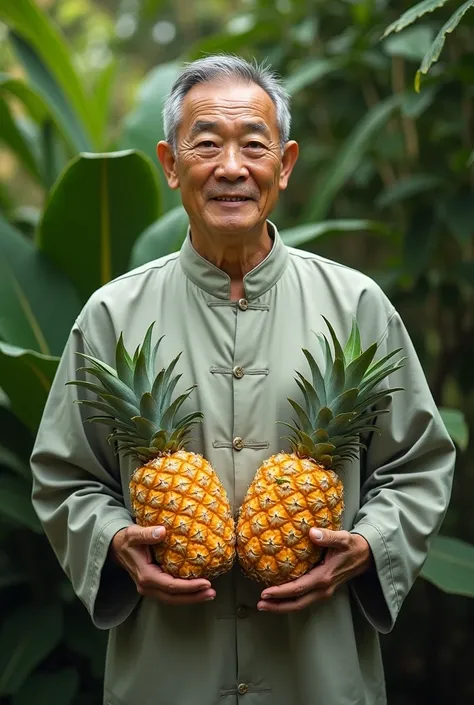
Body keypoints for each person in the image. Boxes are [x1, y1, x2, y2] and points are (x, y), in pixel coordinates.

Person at [30, 55, 455, 705]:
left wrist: (369, 544)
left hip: (314, 670)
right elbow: (64, 473)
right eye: (205, 144)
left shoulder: (356, 305)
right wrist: (113, 538)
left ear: (283, 165)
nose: (232, 168)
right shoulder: (112, 316)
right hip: (167, 674)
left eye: (253, 145)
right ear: (171, 165)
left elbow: (419, 463)